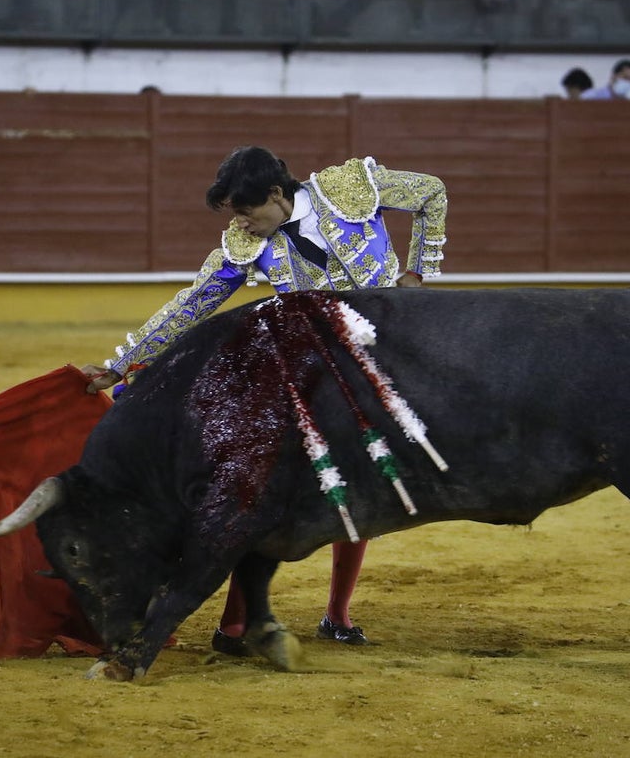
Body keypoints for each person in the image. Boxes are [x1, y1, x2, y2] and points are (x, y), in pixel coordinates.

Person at [81, 146, 448, 654]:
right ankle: (235, 623)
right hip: (309, 373)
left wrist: (418, 273)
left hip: (378, 365)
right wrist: (119, 364)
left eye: (246, 211)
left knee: (359, 485)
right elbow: (193, 303)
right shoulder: (244, 243)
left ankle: (336, 615)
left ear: (276, 195)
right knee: (261, 487)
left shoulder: (350, 190)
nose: (242, 224)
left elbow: (432, 192)